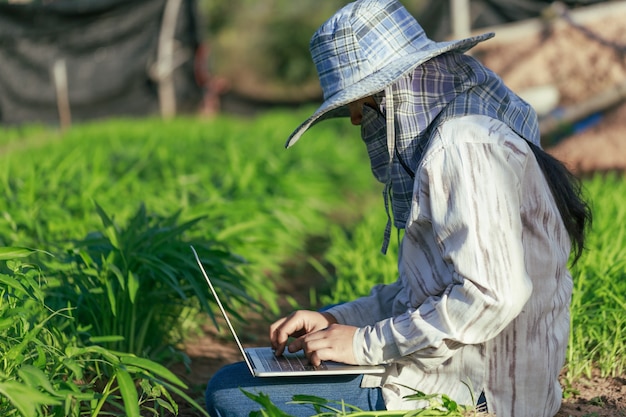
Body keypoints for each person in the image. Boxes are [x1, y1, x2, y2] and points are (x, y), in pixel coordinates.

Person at [205, 0, 592, 416]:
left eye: (361, 102)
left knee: (231, 392)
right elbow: (429, 292)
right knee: (235, 384)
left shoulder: (462, 147)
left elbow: (494, 296)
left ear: (394, 92)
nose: (356, 118)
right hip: (464, 370)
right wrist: (335, 321)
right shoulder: (464, 136)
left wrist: (362, 344)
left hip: (480, 391)